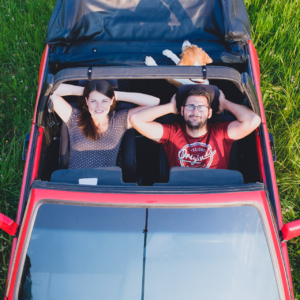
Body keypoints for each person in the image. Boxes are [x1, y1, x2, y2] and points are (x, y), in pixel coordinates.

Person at [129, 87, 261, 169]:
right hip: (181, 197)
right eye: (190, 106)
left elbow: (253, 120)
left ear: (209, 113)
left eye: (201, 107)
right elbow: (136, 120)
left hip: (218, 197)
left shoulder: (220, 132)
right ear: (182, 111)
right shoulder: (171, 133)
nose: (195, 111)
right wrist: (169, 107)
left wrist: (224, 103)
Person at [50, 80, 159, 169]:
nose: (99, 106)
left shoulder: (119, 121)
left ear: (112, 101)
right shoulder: (75, 118)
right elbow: (50, 92)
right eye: (93, 101)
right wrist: (87, 91)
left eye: (104, 101)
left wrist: (114, 94)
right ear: (87, 101)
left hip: (106, 187)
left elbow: (154, 103)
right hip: (75, 186)